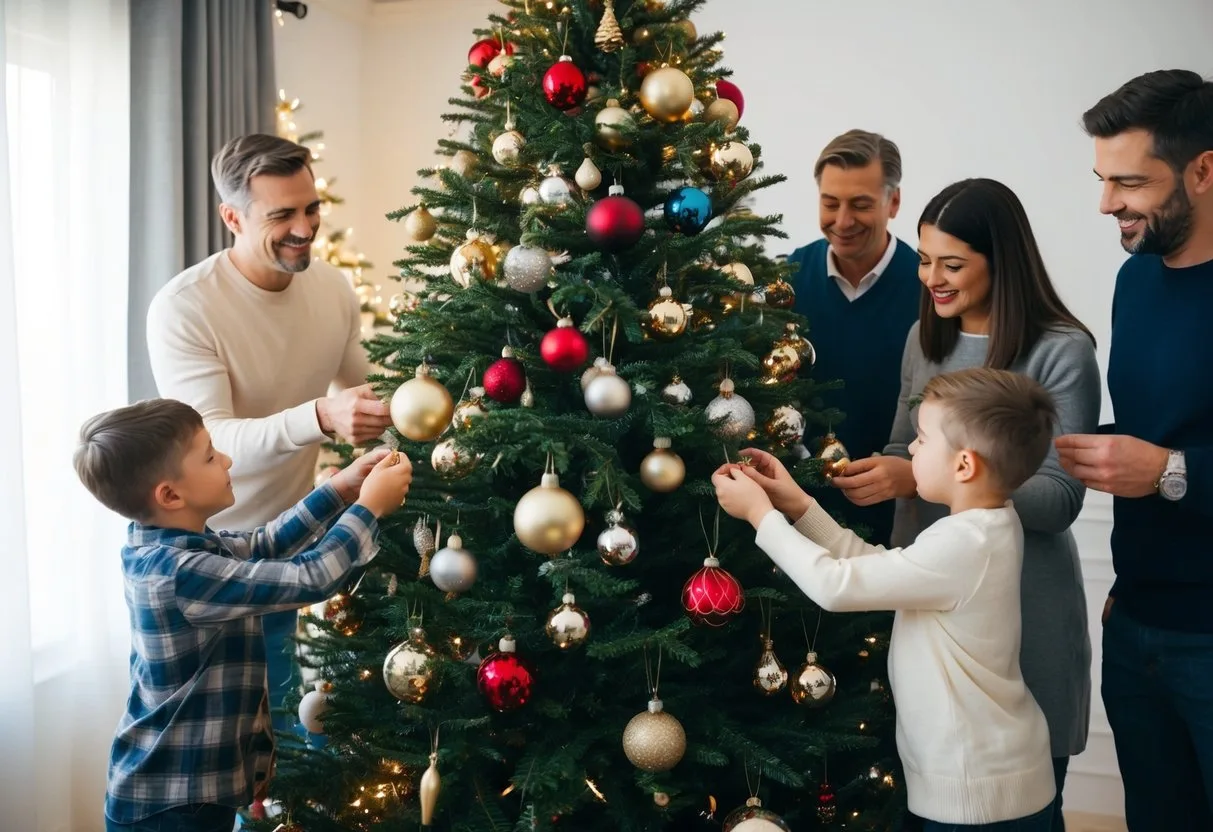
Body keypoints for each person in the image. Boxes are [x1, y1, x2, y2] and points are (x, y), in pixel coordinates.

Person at [830, 178, 1099, 829]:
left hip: (1022, 610)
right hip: (930, 607)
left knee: (1023, 802)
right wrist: (877, 476)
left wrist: (931, 479)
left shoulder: (1061, 350)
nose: (931, 279)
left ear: (1000, 262)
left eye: (950, 265)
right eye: (922, 260)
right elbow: (903, 449)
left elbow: (1059, 497)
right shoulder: (923, 341)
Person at [713, 367, 1058, 831]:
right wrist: (795, 506)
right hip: (983, 780)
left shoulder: (967, 544)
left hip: (979, 794)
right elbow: (870, 565)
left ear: (963, 465)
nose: (911, 449)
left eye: (921, 439)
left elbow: (836, 586)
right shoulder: (982, 526)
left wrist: (761, 516)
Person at [145, 133, 395, 734]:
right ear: (232, 216)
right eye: (281, 215)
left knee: (318, 733)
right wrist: (320, 416)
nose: (305, 228)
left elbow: (370, 386)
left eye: (311, 208)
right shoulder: (185, 308)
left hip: (306, 528)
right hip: (219, 553)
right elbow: (213, 440)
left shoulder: (332, 288)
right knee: (244, 744)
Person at [73, 399, 413, 832]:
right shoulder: (177, 574)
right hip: (169, 806)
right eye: (211, 456)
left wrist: (340, 490)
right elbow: (310, 578)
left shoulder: (178, 544)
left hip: (191, 794)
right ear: (171, 495)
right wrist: (368, 509)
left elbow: (265, 543)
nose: (227, 459)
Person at [1056, 69, 1213, 830]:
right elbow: (1163, 424)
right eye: (1100, 178)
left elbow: (1170, 458)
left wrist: (1170, 472)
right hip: (1136, 628)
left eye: (1126, 181)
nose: (1105, 203)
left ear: (1202, 171)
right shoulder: (1134, 281)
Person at [784, 129, 921, 546]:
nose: (842, 222)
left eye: (860, 205)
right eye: (830, 203)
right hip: (798, 511)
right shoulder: (786, 280)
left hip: (901, 517)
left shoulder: (929, 290)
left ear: (893, 202)